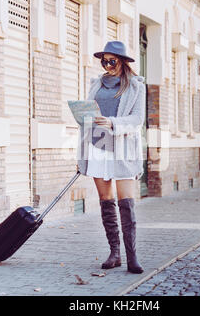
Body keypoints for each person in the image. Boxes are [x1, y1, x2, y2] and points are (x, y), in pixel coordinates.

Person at [76, 41, 145, 274]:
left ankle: (132, 257)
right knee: (106, 200)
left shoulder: (135, 86)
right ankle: (114, 253)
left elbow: (137, 120)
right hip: (97, 145)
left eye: (112, 61)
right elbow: (89, 113)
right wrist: (84, 116)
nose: (107, 65)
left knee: (126, 201)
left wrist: (113, 122)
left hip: (123, 147)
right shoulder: (96, 83)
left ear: (122, 61)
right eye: (104, 61)